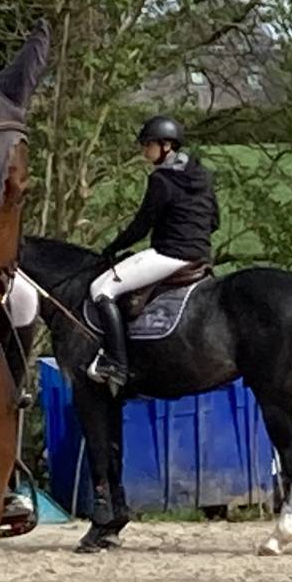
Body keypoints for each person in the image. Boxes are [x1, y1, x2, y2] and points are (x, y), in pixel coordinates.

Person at [86, 115, 219, 388]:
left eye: (148, 145)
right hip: (200, 256)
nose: (144, 151)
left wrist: (112, 248)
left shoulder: (161, 179)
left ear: (166, 146)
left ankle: (116, 363)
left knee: (101, 289)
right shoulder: (201, 174)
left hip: (169, 256)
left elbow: (141, 226)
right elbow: (215, 221)